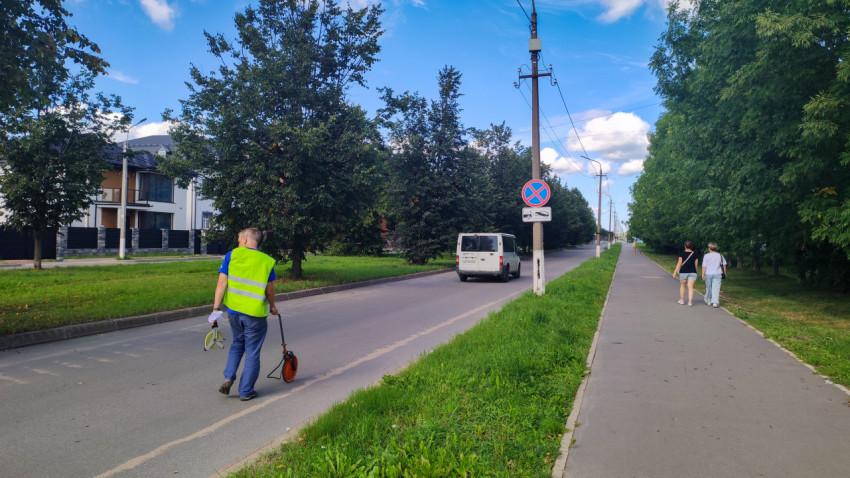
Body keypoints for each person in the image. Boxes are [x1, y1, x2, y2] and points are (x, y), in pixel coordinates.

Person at [209, 228, 278, 401]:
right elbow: (270, 290)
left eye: (239, 239)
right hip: (255, 314)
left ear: (246, 240)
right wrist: (273, 306)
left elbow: (221, 284)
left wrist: (216, 309)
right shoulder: (266, 261)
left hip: (234, 312)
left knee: (237, 343)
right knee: (252, 351)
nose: (238, 242)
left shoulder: (232, 255)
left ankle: (228, 377)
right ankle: (246, 392)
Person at [672, 240, 700, 306]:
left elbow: (679, 264)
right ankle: (690, 302)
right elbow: (696, 264)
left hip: (683, 272)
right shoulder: (695, 254)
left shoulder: (682, 254)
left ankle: (682, 300)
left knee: (683, 286)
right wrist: (695, 271)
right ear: (691, 246)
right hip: (692, 272)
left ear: (684, 246)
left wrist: (675, 272)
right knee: (690, 287)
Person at [701, 242, 727, 308]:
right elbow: (724, 264)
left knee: (708, 287)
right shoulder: (720, 255)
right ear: (716, 248)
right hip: (717, 273)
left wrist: (703, 274)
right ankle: (715, 302)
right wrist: (725, 272)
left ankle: (708, 300)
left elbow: (704, 266)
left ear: (709, 248)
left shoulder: (706, 256)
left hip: (708, 273)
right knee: (716, 288)